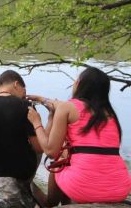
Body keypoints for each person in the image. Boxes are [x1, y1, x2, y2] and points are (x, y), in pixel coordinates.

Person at [26, 66, 131, 207]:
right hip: (120, 188)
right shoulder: (110, 115)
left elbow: (50, 151)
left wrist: (36, 122)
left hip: (83, 188)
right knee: (73, 155)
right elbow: (60, 104)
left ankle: (48, 201)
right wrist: (42, 99)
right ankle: (67, 202)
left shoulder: (67, 107)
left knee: (60, 160)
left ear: (79, 83)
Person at [0, 70, 42, 180]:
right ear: (16, 84)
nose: (24, 95)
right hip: (20, 170)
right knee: (39, 145)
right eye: (24, 91)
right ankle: (26, 184)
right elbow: (39, 148)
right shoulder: (27, 106)